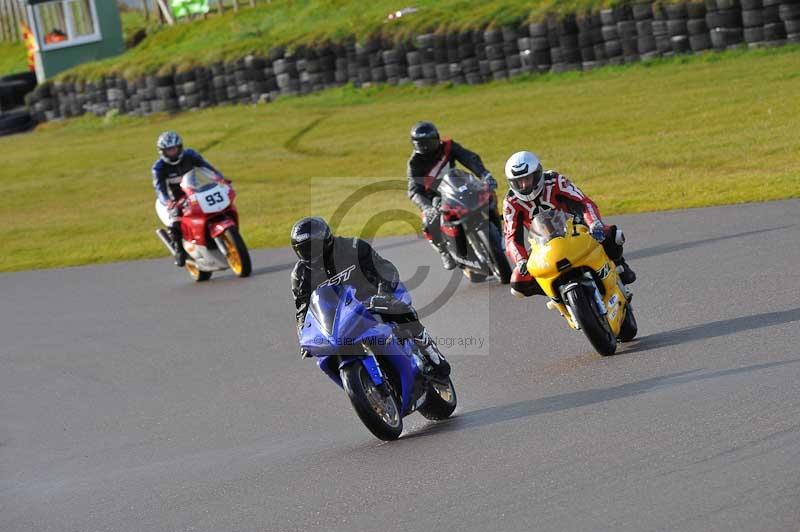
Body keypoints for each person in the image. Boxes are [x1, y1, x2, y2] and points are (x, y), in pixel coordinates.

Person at [290, 216, 450, 377]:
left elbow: (383, 269)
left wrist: (384, 293)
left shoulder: (352, 247)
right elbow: (303, 309)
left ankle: (427, 348)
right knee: (327, 352)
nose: (311, 253)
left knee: (398, 308)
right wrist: (304, 337)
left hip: (372, 296)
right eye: (304, 249)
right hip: (340, 316)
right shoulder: (300, 275)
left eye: (314, 246)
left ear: (325, 240)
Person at [502, 150, 637, 298]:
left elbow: (583, 202)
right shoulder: (510, 202)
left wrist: (594, 224)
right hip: (542, 244)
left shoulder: (554, 180)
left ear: (538, 173)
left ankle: (619, 265)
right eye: (518, 182)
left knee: (611, 235)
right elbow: (511, 238)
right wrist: (520, 260)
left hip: (574, 228)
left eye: (528, 179)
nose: (524, 185)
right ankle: (556, 295)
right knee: (518, 283)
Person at [407, 121, 499, 270]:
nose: (426, 146)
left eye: (429, 141)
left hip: (458, 186)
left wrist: (484, 174)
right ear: (414, 144)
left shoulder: (449, 147)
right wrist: (426, 207)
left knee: (487, 192)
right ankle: (444, 251)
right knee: (429, 221)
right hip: (436, 198)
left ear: (437, 138)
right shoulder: (414, 163)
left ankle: (497, 225)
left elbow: (469, 158)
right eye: (421, 143)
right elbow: (414, 191)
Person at [151, 131, 227, 266]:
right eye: (169, 150)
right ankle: (179, 251)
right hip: (171, 200)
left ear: (180, 147)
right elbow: (159, 189)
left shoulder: (190, 155)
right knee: (174, 220)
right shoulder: (159, 168)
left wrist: (219, 178)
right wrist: (167, 202)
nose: (172, 152)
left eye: (174, 148)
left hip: (192, 192)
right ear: (163, 152)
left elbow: (206, 168)